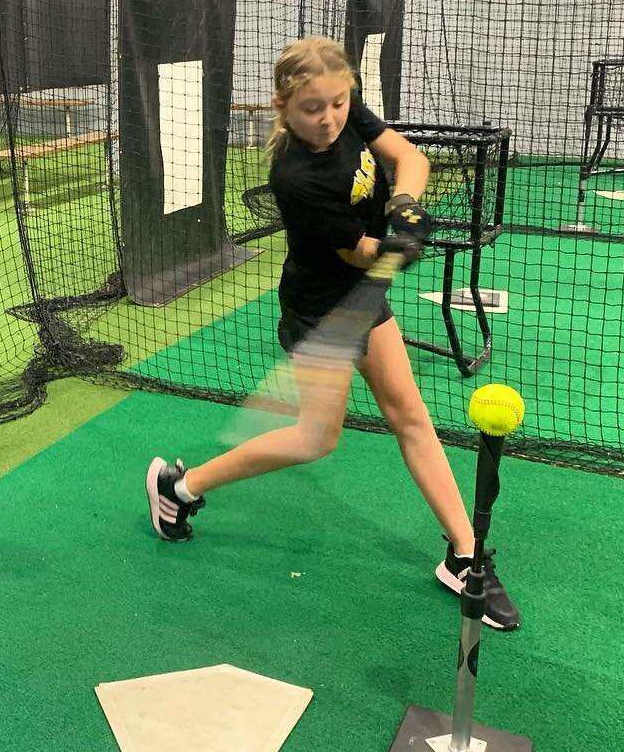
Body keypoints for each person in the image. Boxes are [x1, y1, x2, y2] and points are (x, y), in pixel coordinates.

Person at [144, 36, 520, 630]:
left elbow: (410, 160)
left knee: (411, 416)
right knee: (315, 440)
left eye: (338, 104)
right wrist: (402, 244)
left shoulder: (348, 111)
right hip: (323, 312)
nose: (328, 119)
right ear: (284, 107)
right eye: (312, 109)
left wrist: (405, 205)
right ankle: (180, 486)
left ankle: (464, 556)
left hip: (364, 301)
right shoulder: (297, 177)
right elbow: (361, 255)